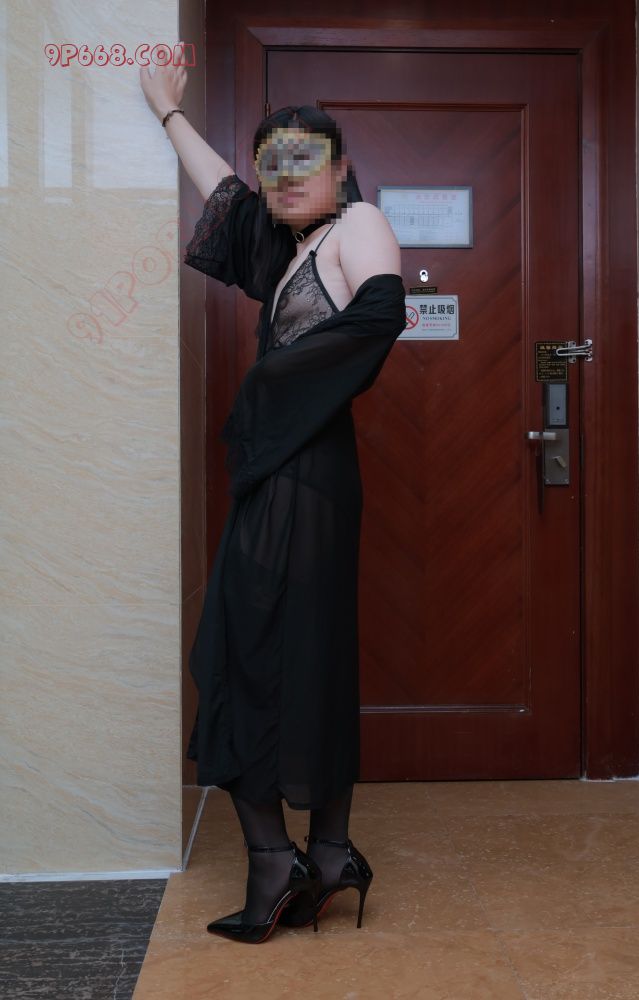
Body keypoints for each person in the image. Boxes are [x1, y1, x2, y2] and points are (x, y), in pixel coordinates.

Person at [140, 49, 406, 944]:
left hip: (304, 474)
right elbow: (226, 196)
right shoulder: (293, 246)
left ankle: (278, 863)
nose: (286, 177)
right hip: (295, 475)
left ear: (341, 168)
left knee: (245, 654)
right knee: (288, 654)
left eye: (305, 159)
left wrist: (264, 391)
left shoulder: (358, 222)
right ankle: (325, 856)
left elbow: (379, 315)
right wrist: (169, 113)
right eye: (271, 162)